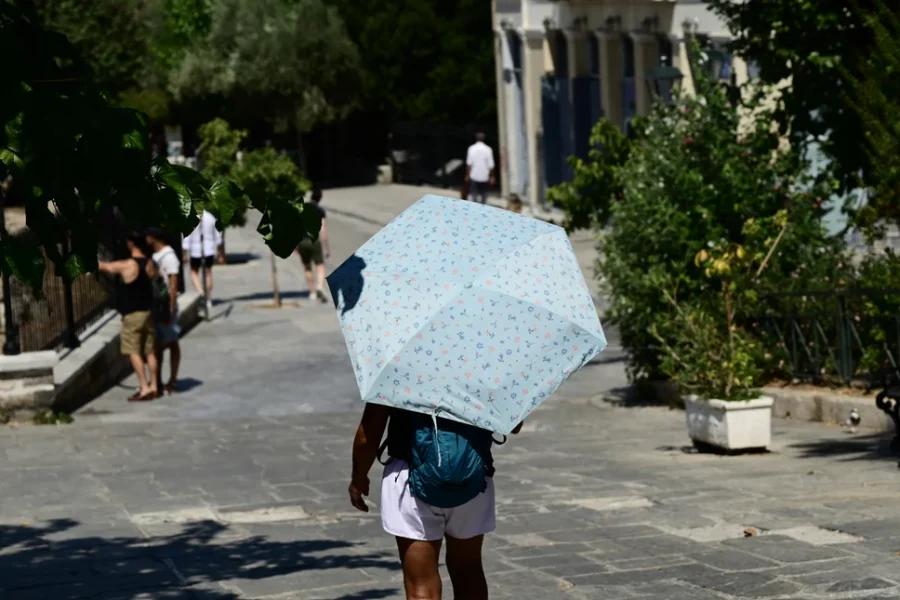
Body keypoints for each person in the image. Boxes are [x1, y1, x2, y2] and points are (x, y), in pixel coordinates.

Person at [349, 404, 523, 600]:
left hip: (410, 475)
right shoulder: (488, 371)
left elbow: (369, 430)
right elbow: (514, 424)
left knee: (421, 583)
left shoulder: (397, 372)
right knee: (468, 569)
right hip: (472, 475)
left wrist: (359, 476)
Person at [99, 232, 159, 402]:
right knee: (150, 350)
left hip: (133, 314)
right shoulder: (149, 263)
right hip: (148, 311)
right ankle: (154, 385)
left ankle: (144, 387)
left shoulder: (128, 265)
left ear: (132, 244)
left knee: (132, 351)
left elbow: (107, 267)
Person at [146, 228, 182, 395]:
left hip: (166, 306)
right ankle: (157, 379)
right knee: (157, 344)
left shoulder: (169, 257)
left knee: (172, 342)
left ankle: (173, 379)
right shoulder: (155, 256)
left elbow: (173, 285)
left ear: (154, 238)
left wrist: (171, 309)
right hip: (157, 306)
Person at [183, 210, 223, 312]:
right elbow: (217, 234)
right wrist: (219, 251)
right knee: (208, 273)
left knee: (193, 272)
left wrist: (185, 253)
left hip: (195, 250)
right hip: (209, 249)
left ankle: (201, 293)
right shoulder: (210, 217)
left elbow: (186, 236)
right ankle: (208, 298)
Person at [295, 187, 330, 304]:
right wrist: (326, 247)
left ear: (311, 196)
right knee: (320, 266)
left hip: (301, 241)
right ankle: (320, 286)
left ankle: (312, 293)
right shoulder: (320, 211)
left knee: (307, 267)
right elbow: (323, 231)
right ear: (320, 198)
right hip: (314, 240)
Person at [465, 132, 495, 205]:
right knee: (484, 195)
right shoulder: (488, 149)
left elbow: (469, 164)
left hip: (474, 175)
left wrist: (467, 175)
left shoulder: (471, 148)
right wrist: (492, 176)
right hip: (484, 175)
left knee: (474, 196)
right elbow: (491, 165)